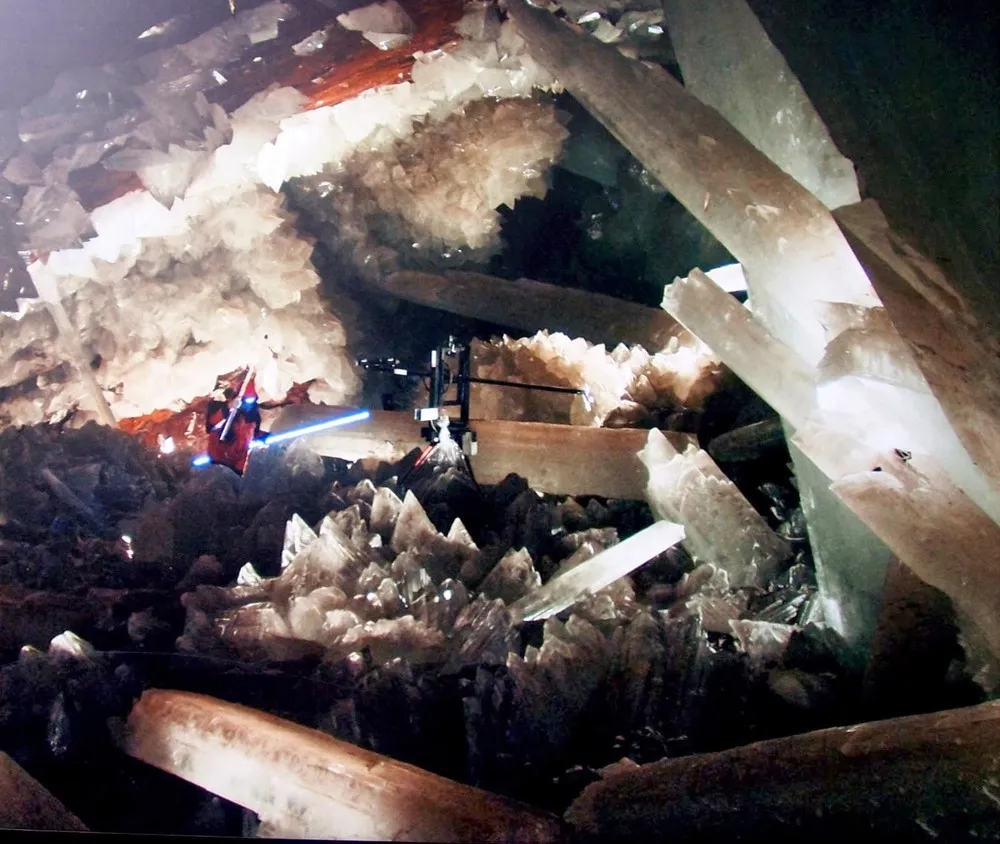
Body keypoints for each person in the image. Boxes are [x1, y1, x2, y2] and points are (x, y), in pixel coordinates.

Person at [205, 369, 261, 474]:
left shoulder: (253, 415)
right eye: (246, 400)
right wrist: (228, 408)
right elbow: (212, 425)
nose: (248, 405)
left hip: (239, 462)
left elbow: (253, 433)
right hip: (219, 457)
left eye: (251, 401)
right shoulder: (223, 409)